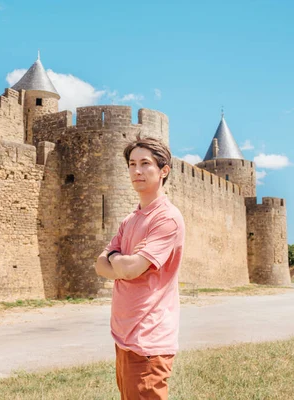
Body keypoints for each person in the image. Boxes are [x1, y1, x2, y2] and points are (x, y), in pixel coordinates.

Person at [95, 136, 185, 400]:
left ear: (163, 170)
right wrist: (118, 260)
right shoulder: (130, 219)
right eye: (132, 164)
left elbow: (133, 268)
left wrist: (117, 259)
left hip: (149, 340)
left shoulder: (167, 218)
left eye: (145, 163)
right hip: (125, 337)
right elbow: (100, 266)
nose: (137, 170)